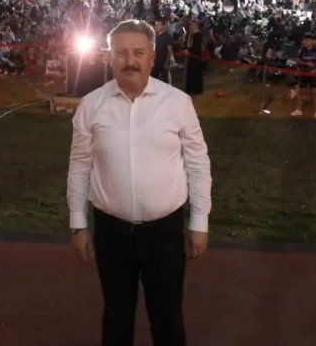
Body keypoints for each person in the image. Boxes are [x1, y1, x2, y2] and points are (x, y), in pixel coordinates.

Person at [67, 19, 212, 346]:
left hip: (165, 233)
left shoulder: (177, 103)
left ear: (152, 57)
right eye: (121, 53)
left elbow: (198, 163)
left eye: (138, 52)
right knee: (117, 315)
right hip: (111, 232)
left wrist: (199, 221)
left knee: (168, 317)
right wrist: (78, 224)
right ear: (109, 57)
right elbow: (79, 166)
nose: (129, 60)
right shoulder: (91, 106)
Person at [292, 33, 316, 119]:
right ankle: (298, 110)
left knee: (315, 92)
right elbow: (297, 60)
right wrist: (306, 63)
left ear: (312, 41)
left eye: (307, 40)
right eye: (305, 40)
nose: (305, 42)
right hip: (303, 73)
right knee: (300, 91)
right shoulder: (302, 50)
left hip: (313, 74)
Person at [184, 19, 205, 95]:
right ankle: (190, 89)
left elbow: (198, 47)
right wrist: (185, 49)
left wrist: (189, 50)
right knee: (190, 74)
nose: (190, 26)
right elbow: (185, 44)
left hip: (196, 58)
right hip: (190, 58)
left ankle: (196, 89)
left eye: (192, 25)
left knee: (196, 74)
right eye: (190, 25)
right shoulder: (189, 35)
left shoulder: (199, 35)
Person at [151, 19, 173, 83]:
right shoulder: (154, 36)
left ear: (163, 26)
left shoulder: (167, 37)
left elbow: (170, 50)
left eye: (158, 25)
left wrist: (167, 62)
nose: (156, 26)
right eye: (155, 25)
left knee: (164, 80)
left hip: (163, 62)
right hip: (155, 62)